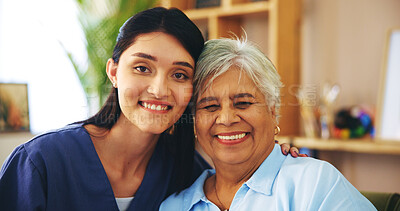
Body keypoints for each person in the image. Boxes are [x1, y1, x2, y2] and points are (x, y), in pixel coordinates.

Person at [0, 7, 300, 211]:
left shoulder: (188, 175)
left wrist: (276, 158)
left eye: (180, 74)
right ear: (114, 72)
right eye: (142, 67)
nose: (159, 89)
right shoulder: (40, 163)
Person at [160, 37, 377, 210]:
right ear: (195, 122)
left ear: (273, 110)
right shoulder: (175, 206)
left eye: (243, 103)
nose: (226, 119)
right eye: (210, 107)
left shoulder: (314, 183)